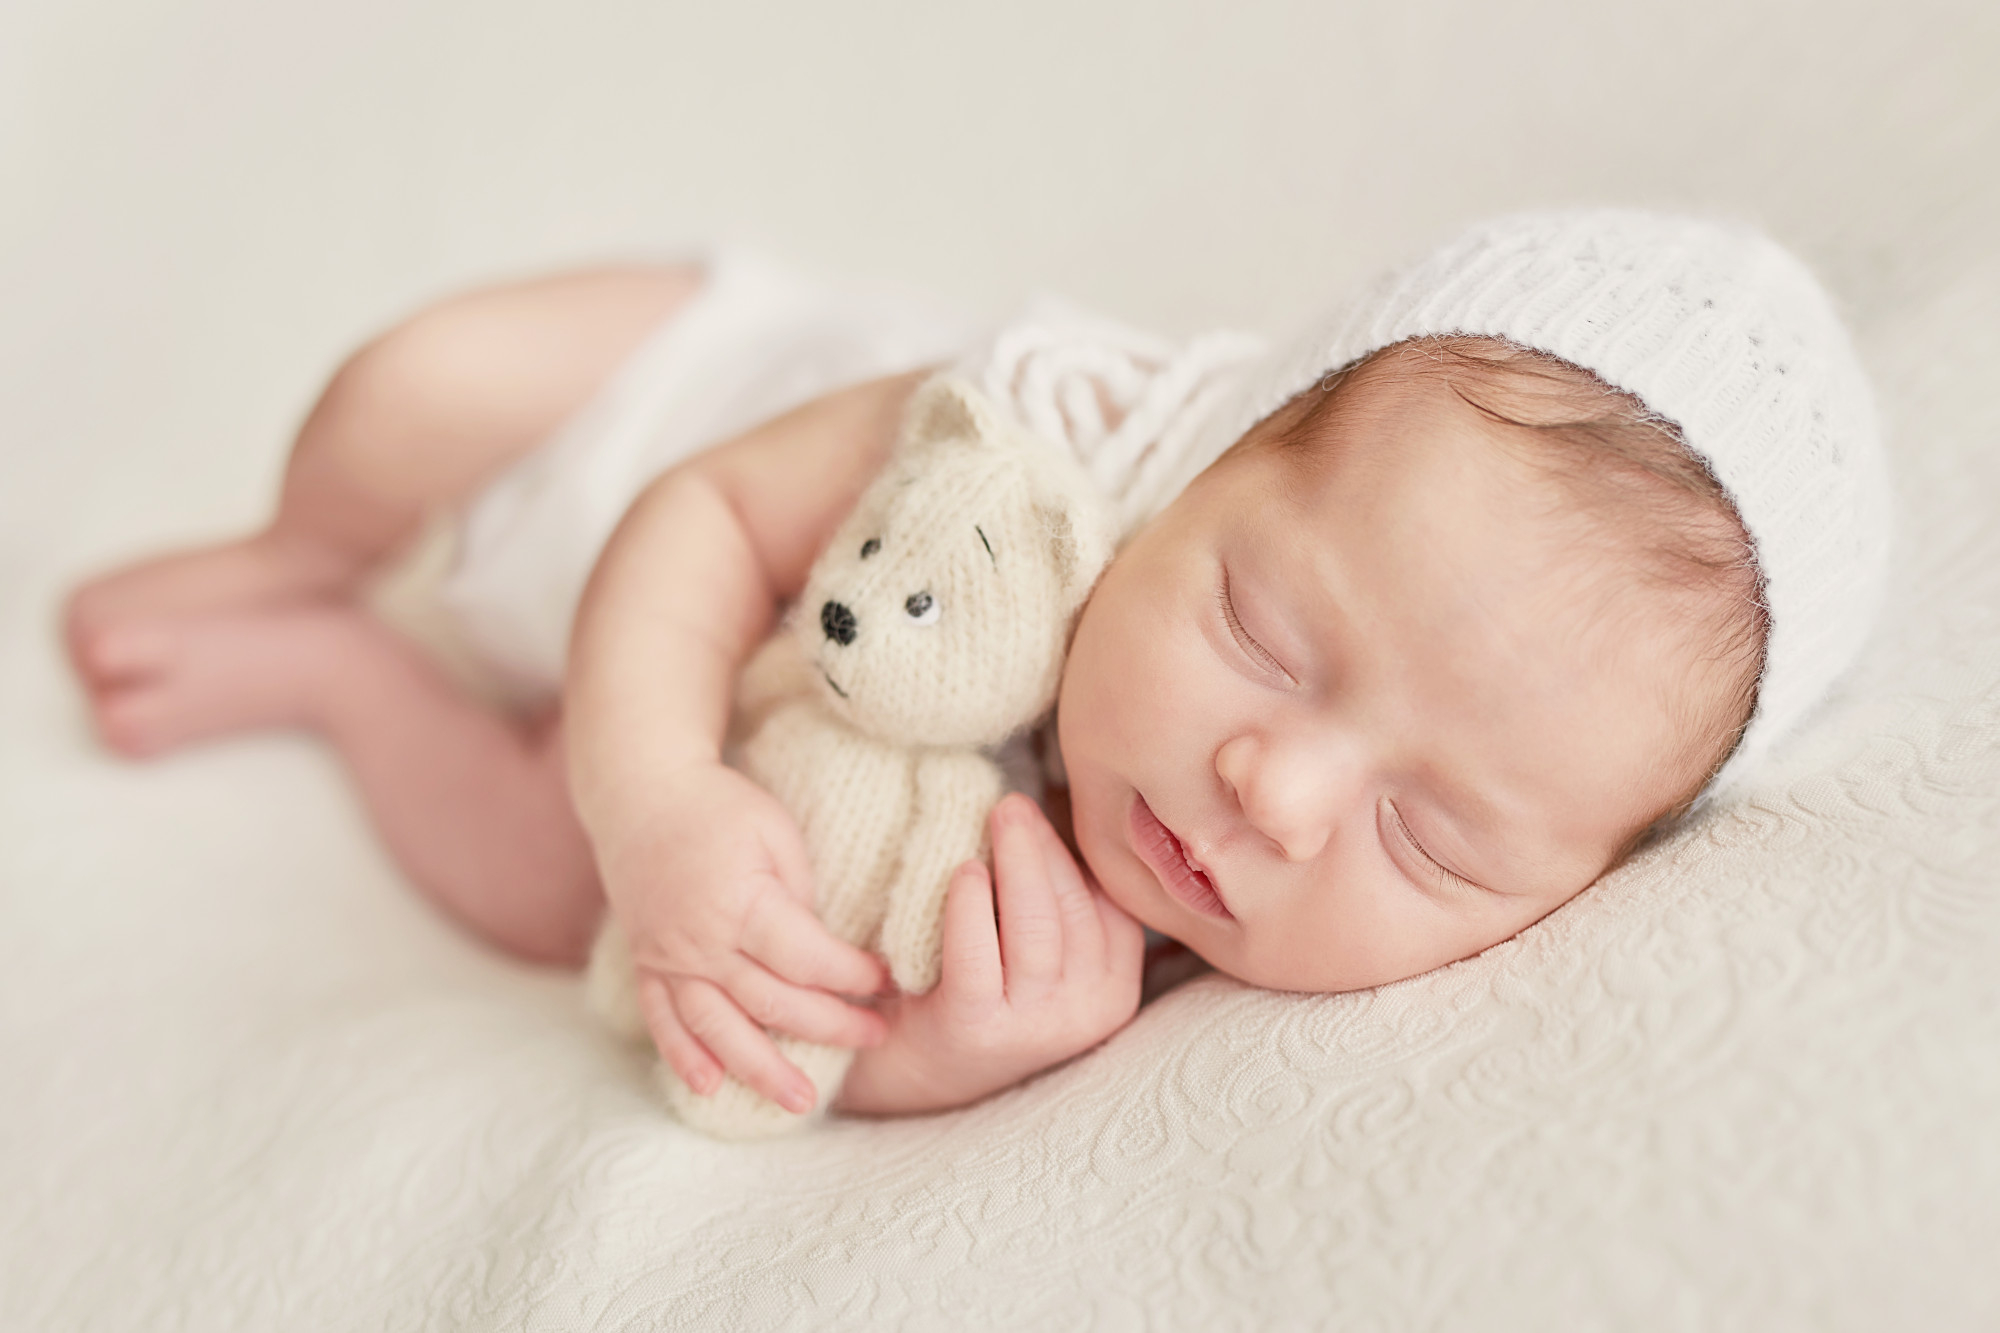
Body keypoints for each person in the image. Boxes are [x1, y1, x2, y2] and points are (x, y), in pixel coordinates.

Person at [60, 211, 1890, 1120]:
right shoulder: (1037, 431)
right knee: (416, 396)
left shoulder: (1197, 944)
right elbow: (700, 519)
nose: (1280, 791)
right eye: (1261, 631)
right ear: (1213, 452)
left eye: (1436, 840)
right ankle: (307, 552)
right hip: (639, 441)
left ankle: (342, 679)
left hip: (765, 745)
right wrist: (657, 783)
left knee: (570, 890)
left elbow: (808, 1021)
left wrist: (942, 1053)